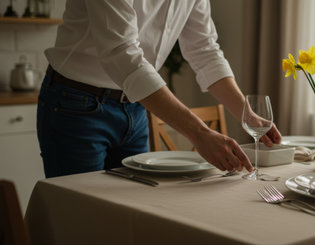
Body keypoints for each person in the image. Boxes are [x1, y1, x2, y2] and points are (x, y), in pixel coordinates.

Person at [37, 0, 282, 178]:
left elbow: (205, 50)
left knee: (133, 209)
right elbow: (121, 53)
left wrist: (246, 113)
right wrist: (199, 133)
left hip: (135, 106)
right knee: (80, 219)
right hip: (76, 105)